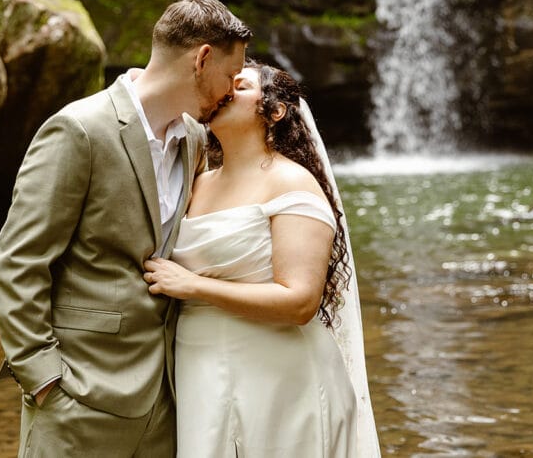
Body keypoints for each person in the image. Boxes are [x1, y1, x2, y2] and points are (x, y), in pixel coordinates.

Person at [0, 0, 251, 457]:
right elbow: (19, 261)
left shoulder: (193, 139)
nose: (232, 91)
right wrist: (44, 377)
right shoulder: (78, 130)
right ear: (202, 58)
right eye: (231, 77)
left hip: (166, 402)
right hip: (78, 397)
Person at [143, 60, 381, 457]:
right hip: (199, 368)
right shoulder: (196, 182)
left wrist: (194, 286)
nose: (225, 90)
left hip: (281, 376)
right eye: (225, 83)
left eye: (241, 85)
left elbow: (301, 301)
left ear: (275, 111)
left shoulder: (291, 182)